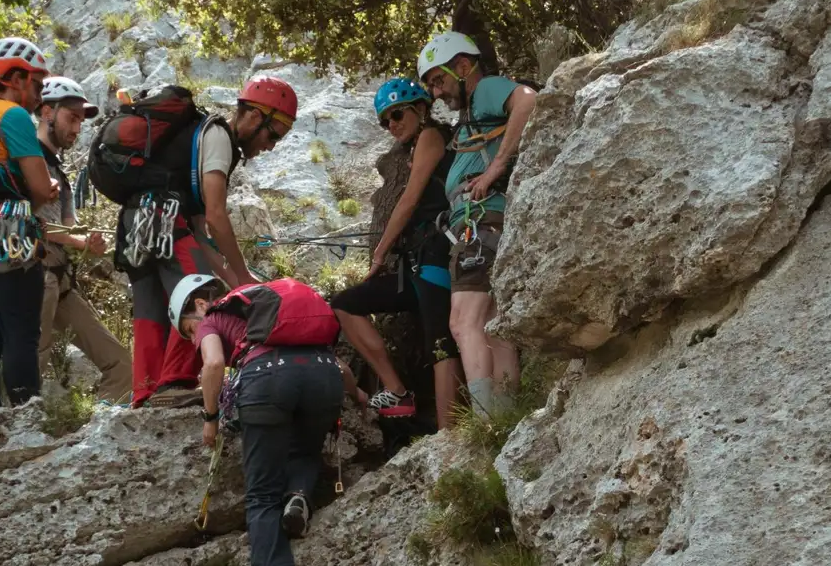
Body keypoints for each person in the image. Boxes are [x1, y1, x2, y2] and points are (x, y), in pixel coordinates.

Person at [172, 273, 361, 566]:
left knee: (261, 492)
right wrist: (360, 398)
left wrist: (210, 417)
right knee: (306, 449)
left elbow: (212, 366)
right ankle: (299, 496)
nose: (192, 337)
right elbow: (344, 370)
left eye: (188, 330)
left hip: (266, 377)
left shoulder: (212, 317)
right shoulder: (271, 313)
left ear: (198, 305)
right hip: (323, 376)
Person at [124, 75, 299, 409]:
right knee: (199, 292)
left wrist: (233, 281)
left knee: (153, 305)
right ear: (252, 116)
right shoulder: (218, 136)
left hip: (138, 225)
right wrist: (243, 276)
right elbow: (217, 217)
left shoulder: (199, 138)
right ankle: (175, 380)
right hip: (165, 221)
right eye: (273, 133)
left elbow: (202, 235)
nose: (271, 145)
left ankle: (144, 392)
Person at [417, 31, 538, 418]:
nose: (436, 92)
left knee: (462, 321)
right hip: (485, 223)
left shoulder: (484, 90)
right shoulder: (472, 112)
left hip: (483, 220)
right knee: (490, 324)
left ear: (463, 67)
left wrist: (495, 169)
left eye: (438, 80)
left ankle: (487, 422)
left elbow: (527, 100)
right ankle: (503, 419)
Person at [329, 77, 461, 429]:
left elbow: (410, 198)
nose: (392, 125)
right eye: (385, 121)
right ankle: (397, 391)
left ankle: (449, 433)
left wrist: (379, 254)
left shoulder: (432, 135)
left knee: (440, 340)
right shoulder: (417, 142)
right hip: (415, 262)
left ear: (420, 109)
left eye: (397, 115)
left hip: (434, 255)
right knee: (346, 302)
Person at [0, 34, 59, 407]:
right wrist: (48, 188)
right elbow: (37, 186)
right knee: (21, 330)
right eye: (36, 84)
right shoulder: (14, 115)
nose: (39, 94)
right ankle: (25, 413)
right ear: (15, 78)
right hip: (13, 233)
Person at [36, 75, 133, 402]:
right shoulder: (28, 161)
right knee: (29, 375)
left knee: (123, 367)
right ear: (47, 113)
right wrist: (80, 242)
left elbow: (68, 228)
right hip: (35, 282)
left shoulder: (59, 172)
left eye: (80, 120)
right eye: (71, 117)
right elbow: (35, 227)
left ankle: (91, 429)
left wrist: (90, 242)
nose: (77, 128)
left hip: (61, 284)